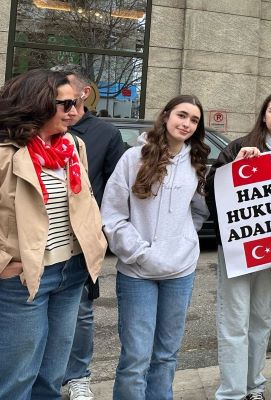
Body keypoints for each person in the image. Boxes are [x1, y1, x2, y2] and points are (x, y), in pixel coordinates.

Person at [0, 69, 107, 399]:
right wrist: (3, 261)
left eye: (77, 103)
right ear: (37, 103)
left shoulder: (73, 145)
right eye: (66, 104)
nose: (75, 111)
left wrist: (94, 244)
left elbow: (83, 200)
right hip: (24, 279)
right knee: (17, 379)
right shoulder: (6, 152)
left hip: (71, 272)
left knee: (52, 375)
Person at [101, 94, 210, 399]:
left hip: (180, 272)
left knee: (166, 355)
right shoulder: (132, 158)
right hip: (137, 272)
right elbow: (112, 215)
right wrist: (140, 253)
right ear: (165, 116)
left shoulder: (195, 163)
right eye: (182, 115)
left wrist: (183, 239)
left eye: (194, 120)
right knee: (136, 359)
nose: (187, 124)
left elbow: (199, 210)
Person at [206, 92, 271, 400]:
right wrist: (235, 165)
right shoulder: (239, 147)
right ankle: (231, 392)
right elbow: (212, 189)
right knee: (234, 319)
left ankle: (254, 387)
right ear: (263, 115)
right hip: (238, 246)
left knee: (261, 319)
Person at [51, 63, 126, 400]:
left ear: (83, 93)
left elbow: (117, 189)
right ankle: (43, 379)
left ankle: (78, 377)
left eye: (67, 91)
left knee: (80, 314)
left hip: (80, 243)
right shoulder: (36, 128)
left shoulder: (105, 134)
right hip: (41, 240)